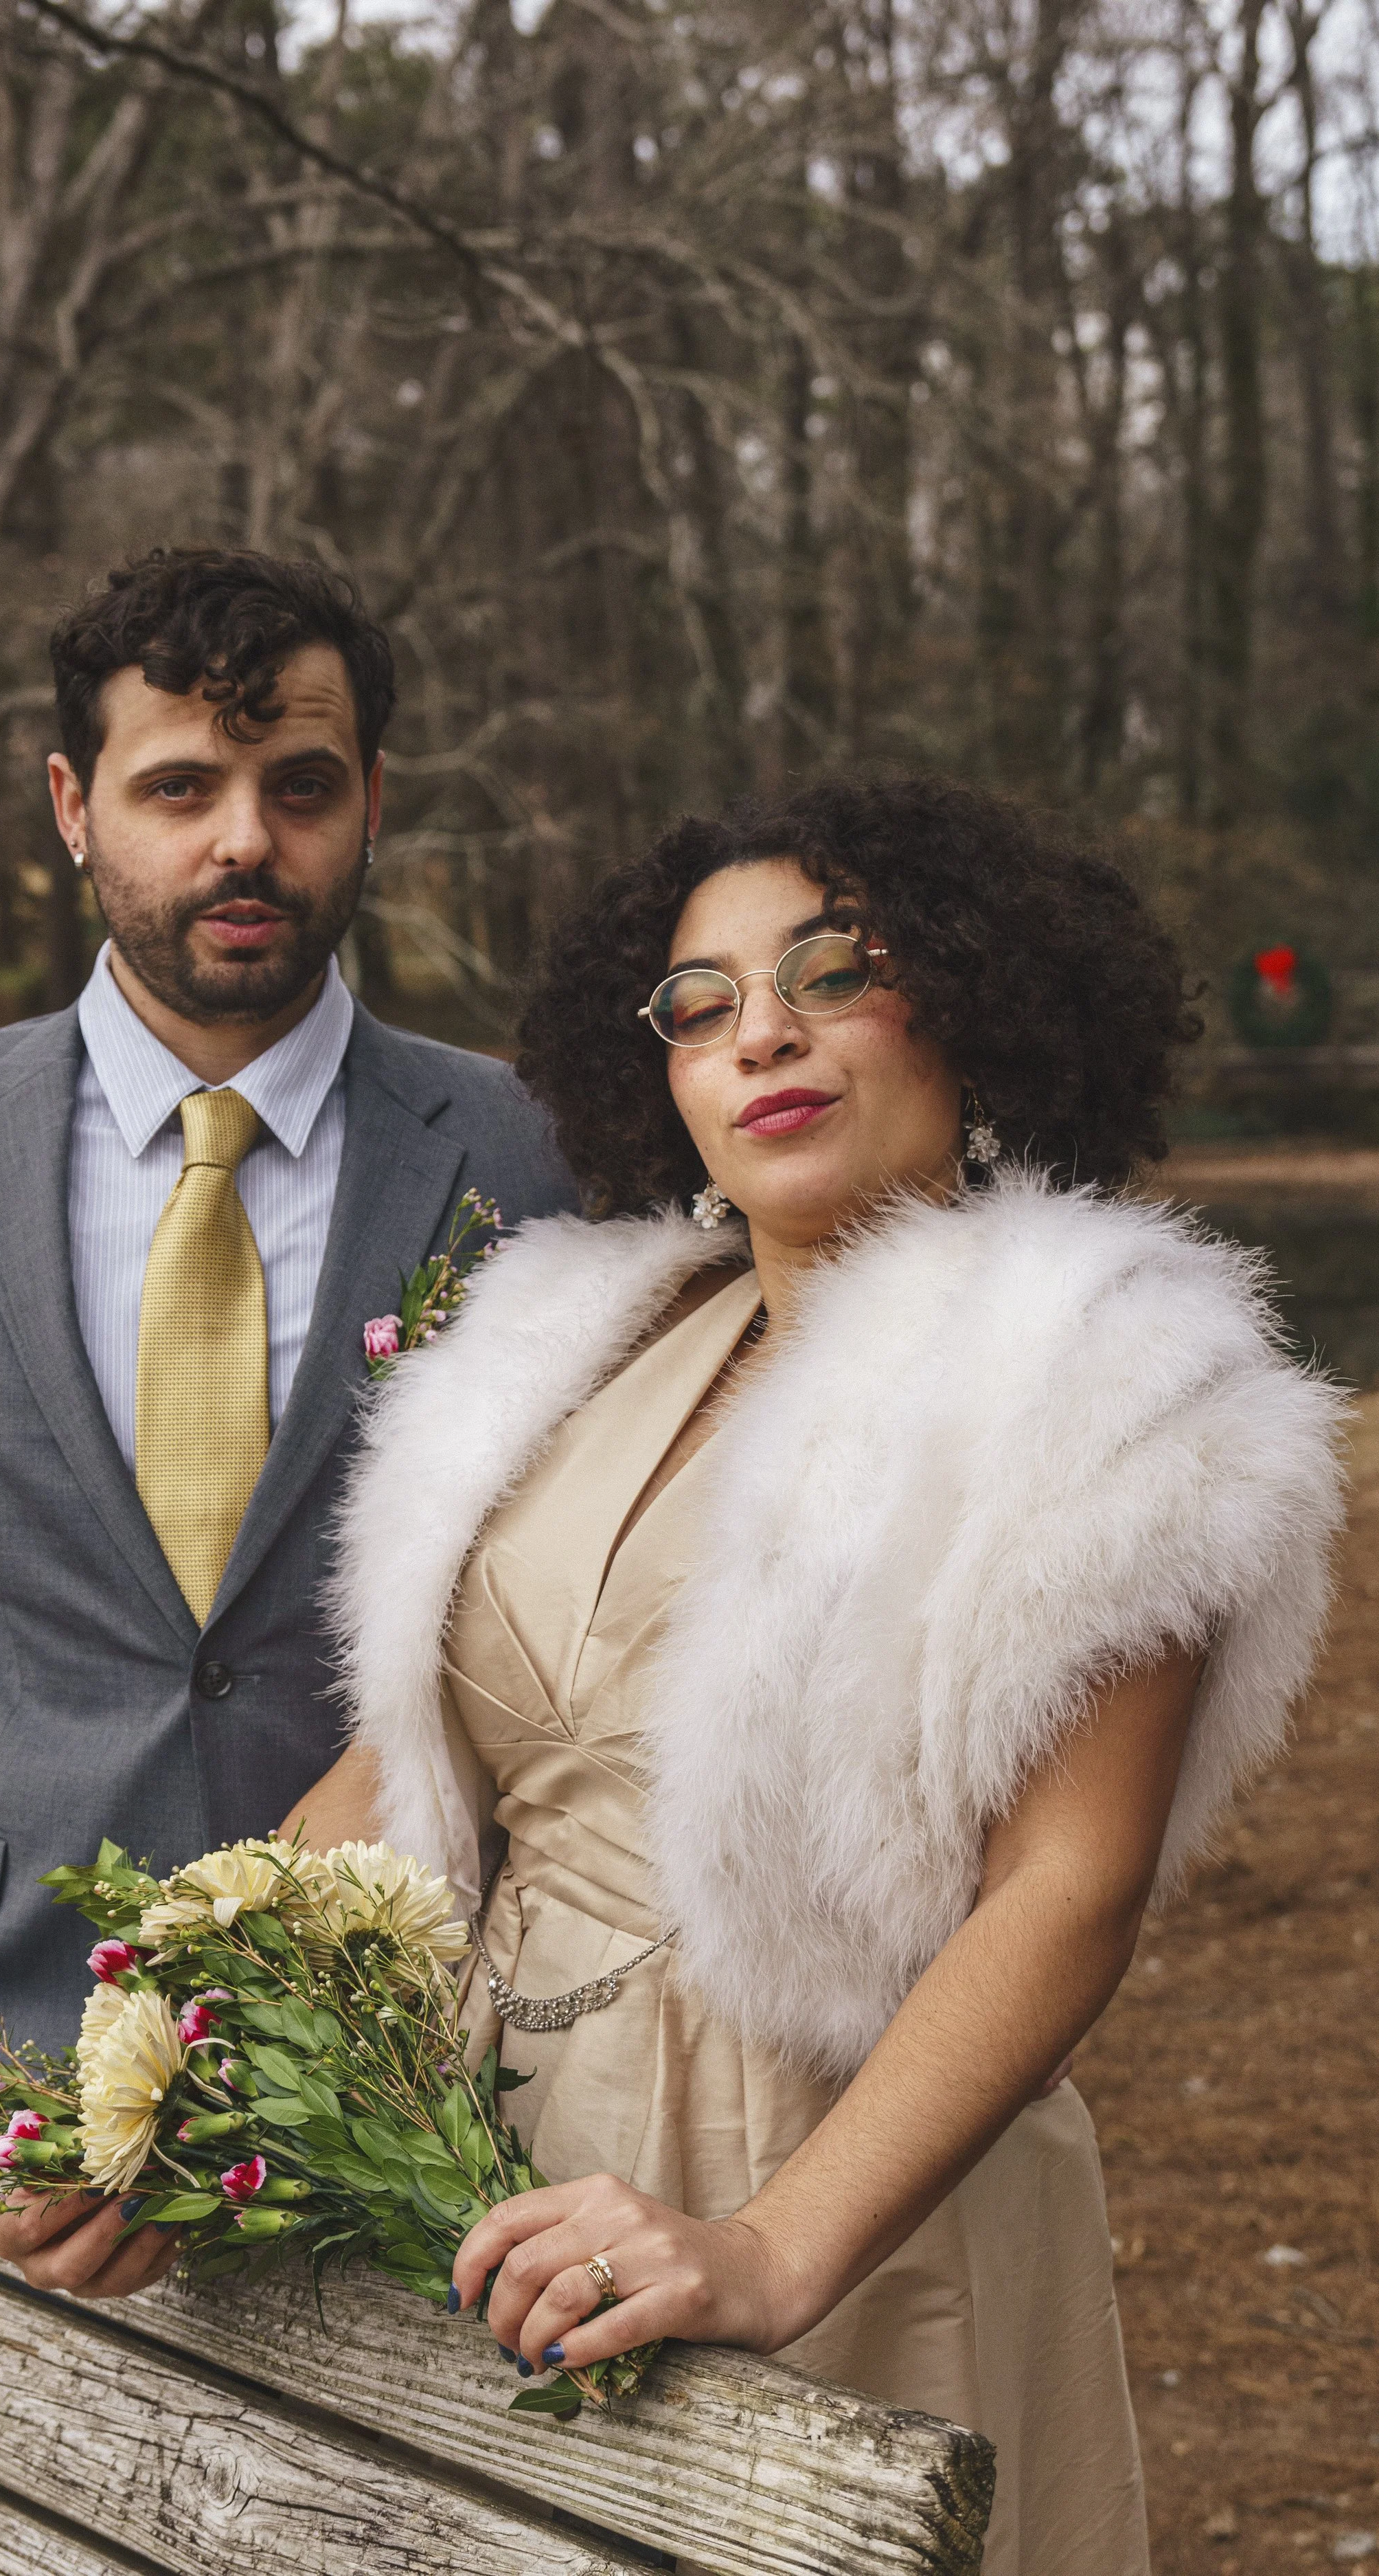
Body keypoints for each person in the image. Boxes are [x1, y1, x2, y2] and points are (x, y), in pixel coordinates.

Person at [288, 778, 1345, 2575]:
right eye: (696, 1004)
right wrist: (168, 2043)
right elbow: (411, 1765)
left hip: (840, 2179)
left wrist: (770, 2247)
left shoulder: (1109, 1377)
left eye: (830, 968)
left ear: (971, 999)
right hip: (484, 2160)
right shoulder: (578, 1335)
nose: (758, 1029)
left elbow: (1066, 1887)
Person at [0, 545, 573, 2299]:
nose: (243, 840)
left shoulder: (536, 1159)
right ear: (74, 807)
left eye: (299, 786)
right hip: (31, 2041)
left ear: (370, 803)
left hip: (453, 2057)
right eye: (179, 786)